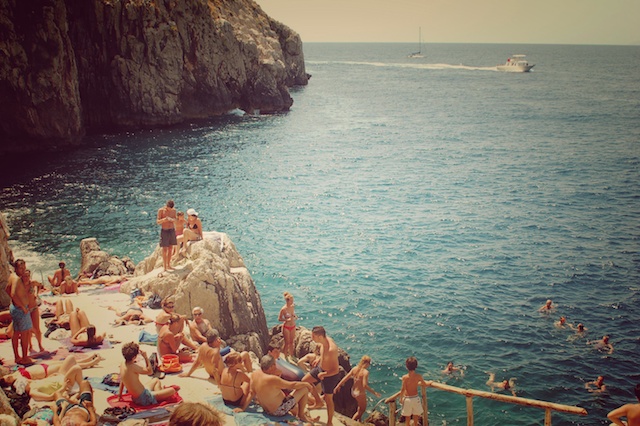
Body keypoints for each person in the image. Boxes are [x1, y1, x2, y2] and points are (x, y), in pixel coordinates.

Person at [251, 355, 315, 421]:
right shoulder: (271, 379)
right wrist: (306, 384)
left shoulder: (255, 374)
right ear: (272, 366)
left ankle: (303, 412)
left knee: (294, 405)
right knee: (304, 389)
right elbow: (292, 385)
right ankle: (301, 415)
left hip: (266, 410)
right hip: (278, 411)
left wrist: (243, 408)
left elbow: (251, 392)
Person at [301, 326, 341, 425]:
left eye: (313, 336)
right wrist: (319, 359)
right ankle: (318, 401)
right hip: (320, 368)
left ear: (319, 336)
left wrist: (324, 374)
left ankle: (329, 422)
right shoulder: (323, 341)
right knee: (304, 381)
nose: (311, 337)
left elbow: (336, 370)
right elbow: (323, 354)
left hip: (330, 376)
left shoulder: (332, 350)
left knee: (328, 399)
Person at [119, 342, 177, 406]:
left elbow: (122, 380)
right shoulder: (133, 367)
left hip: (136, 397)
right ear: (134, 357)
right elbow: (150, 372)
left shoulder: (122, 364)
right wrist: (146, 357)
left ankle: (159, 395)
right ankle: (159, 396)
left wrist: (120, 396)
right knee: (172, 390)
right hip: (144, 398)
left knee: (156, 380)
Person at [334, 355, 380, 422]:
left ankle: (359, 421)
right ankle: (352, 422)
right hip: (360, 393)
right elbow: (364, 385)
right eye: (369, 363)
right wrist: (374, 393)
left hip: (353, 391)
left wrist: (338, 386)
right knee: (362, 410)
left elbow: (345, 378)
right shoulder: (365, 372)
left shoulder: (354, 369)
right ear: (367, 363)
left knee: (359, 407)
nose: (369, 365)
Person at [8, 259, 34, 365]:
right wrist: (22, 306)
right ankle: (25, 358)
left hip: (15, 308)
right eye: (21, 268)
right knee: (25, 333)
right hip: (20, 309)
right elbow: (13, 294)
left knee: (16, 332)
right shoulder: (17, 279)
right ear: (16, 268)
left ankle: (17, 357)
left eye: (24, 267)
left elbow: (6, 289)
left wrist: (14, 303)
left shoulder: (11, 277)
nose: (23, 270)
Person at [399, 356, 427, 426]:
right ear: (416, 366)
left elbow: (403, 389)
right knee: (416, 416)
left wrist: (401, 398)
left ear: (406, 366)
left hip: (407, 398)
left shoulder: (405, 377)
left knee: (407, 418)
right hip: (415, 398)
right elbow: (424, 384)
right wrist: (430, 382)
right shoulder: (418, 376)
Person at [157, 199, 177, 275]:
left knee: (171, 248)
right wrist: (164, 220)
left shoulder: (173, 210)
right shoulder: (161, 211)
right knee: (164, 249)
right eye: (169, 208)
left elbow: (175, 219)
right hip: (164, 230)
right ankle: (164, 267)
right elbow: (158, 221)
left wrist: (172, 220)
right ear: (166, 206)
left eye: (171, 208)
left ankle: (169, 265)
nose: (170, 210)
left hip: (171, 230)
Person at [278, 292, 298, 362]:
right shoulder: (283, 309)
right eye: (291, 300)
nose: (292, 302)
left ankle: (292, 356)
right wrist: (286, 319)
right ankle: (284, 357)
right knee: (287, 343)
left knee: (292, 342)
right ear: (287, 301)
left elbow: (292, 313)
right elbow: (279, 318)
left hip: (293, 326)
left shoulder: (292, 306)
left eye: (293, 300)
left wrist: (294, 316)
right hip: (286, 327)